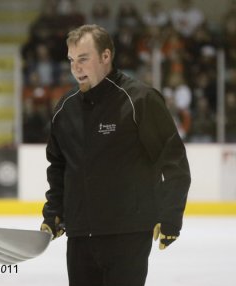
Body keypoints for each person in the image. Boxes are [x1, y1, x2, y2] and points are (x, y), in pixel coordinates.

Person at [40, 24, 191, 286]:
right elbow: (58, 165)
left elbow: (174, 161)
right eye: (72, 60)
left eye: (83, 59)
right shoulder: (65, 108)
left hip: (128, 234)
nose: (76, 68)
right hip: (79, 236)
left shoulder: (140, 100)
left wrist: (170, 216)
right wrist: (54, 212)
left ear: (106, 56)